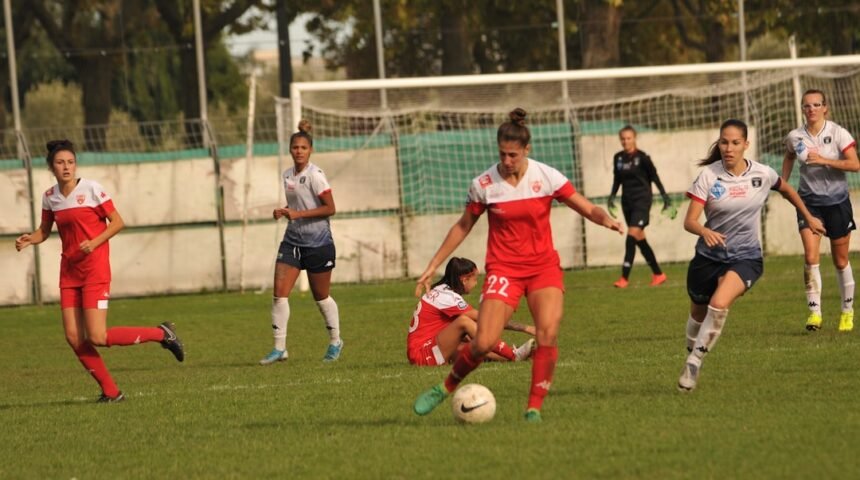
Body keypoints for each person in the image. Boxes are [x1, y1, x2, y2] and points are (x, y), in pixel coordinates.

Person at [412, 108, 623, 422]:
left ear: (527, 150)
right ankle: (445, 386)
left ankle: (533, 408)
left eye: (513, 154)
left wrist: (605, 219)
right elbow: (463, 225)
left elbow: (582, 204)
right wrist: (433, 264)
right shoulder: (484, 184)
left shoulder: (546, 176)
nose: (507, 161)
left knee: (548, 334)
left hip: (543, 268)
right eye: (502, 154)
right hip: (504, 269)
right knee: (483, 342)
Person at [14, 140, 185, 403]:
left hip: (95, 271)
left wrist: (94, 242)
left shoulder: (92, 189)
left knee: (97, 336)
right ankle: (111, 392)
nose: (66, 167)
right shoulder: (50, 197)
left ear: (76, 164)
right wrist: (30, 239)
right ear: (51, 167)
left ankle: (162, 334)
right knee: (73, 337)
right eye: (60, 163)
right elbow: (45, 231)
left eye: (70, 162)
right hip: (69, 274)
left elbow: (118, 222)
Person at [678, 120, 825, 391]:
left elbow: (788, 189)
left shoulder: (762, 173)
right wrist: (704, 231)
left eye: (735, 143)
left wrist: (809, 217)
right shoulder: (709, 176)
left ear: (746, 144)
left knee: (719, 303)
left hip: (746, 257)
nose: (729, 148)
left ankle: (695, 362)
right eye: (724, 142)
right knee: (697, 312)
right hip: (708, 258)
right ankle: (691, 347)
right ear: (718, 144)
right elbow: (689, 221)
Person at [260, 120, 343, 365]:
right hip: (292, 241)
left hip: (318, 243)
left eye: (303, 148)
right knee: (279, 295)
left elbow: (330, 208)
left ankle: (335, 341)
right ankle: (279, 348)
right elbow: (298, 206)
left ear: (310, 150)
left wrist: (298, 214)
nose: (299, 151)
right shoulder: (287, 175)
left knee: (321, 297)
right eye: (295, 147)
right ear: (290, 149)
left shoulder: (316, 176)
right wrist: (285, 211)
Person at [781, 89, 859, 333]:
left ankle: (847, 312)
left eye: (816, 105)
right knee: (811, 257)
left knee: (840, 261)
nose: (811, 109)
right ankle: (815, 313)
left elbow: (855, 165)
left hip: (837, 203)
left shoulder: (838, 133)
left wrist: (825, 160)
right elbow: (789, 155)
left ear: (825, 108)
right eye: (807, 106)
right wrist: (783, 182)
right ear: (802, 109)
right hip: (809, 203)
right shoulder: (795, 136)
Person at [408, 256, 536, 366]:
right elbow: (487, 320)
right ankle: (514, 355)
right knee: (464, 322)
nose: (476, 283)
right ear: (464, 280)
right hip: (423, 355)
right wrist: (526, 328)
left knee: (470, 342)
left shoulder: (441, 290)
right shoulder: (449, 298)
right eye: (475, 279)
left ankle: (516, 356)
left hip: (427, 348)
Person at [607, 125, 674, 288]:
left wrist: (666, 198)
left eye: (629, 138)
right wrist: (611, 197)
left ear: (635, 138)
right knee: (640, 240)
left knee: (631, 237)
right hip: (627, 203)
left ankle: (624, 278)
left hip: (642, 201)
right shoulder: (618, 158)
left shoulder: (643, 157)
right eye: (623, 138)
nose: (625, 141)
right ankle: (658, 274)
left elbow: (655, 177)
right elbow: (617, 180)